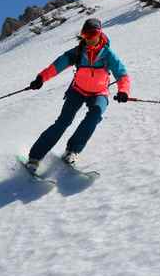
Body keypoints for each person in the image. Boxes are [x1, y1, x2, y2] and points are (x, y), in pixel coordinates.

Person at [24, 18, 130, 172]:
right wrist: (41, 78)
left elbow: (122, 75)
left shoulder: (108, 55)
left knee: (94, 116)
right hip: (77, 90)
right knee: (63, 122)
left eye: (92, 34)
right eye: (85, 35)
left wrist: (123, 91)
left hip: (99, 93)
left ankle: (72, 151)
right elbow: (57, 65)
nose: (88, 38)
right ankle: (34, 158)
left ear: (99, 33)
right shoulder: (78, 52)